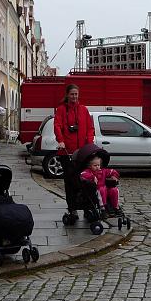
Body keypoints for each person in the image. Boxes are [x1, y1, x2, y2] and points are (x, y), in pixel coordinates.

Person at [54, 84, 95, 217]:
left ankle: (87, 207)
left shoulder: (83, 110)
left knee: (85, 181)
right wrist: (60, 140)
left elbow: (90, 128)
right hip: (67, 152)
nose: (74, 96)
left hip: (82, 153)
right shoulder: (61, 109)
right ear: (67, 95)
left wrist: (89, 143)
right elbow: (57, 126)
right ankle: (72, 208)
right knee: (70, 182)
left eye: (76, 94)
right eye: (72, 94)